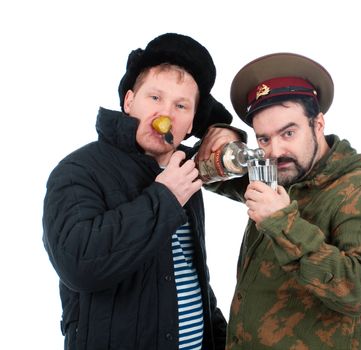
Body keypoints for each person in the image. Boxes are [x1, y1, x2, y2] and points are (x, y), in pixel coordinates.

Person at [198, 52, 361, 349]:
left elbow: (357, 291)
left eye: (288, 132)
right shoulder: (278, 172)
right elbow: (205, 172)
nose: (276, 150)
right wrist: (225, 133)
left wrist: (281, 223)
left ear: (317, 123)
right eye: (264, 139)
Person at [42, 33, 231, 350]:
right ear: (129, 101)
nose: (165, 115)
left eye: (180, 105)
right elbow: (79, 264)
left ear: (190, 124)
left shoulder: (183, 174)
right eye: (155, 98)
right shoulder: (79, 170)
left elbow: (190, 270)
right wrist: (165, 198)